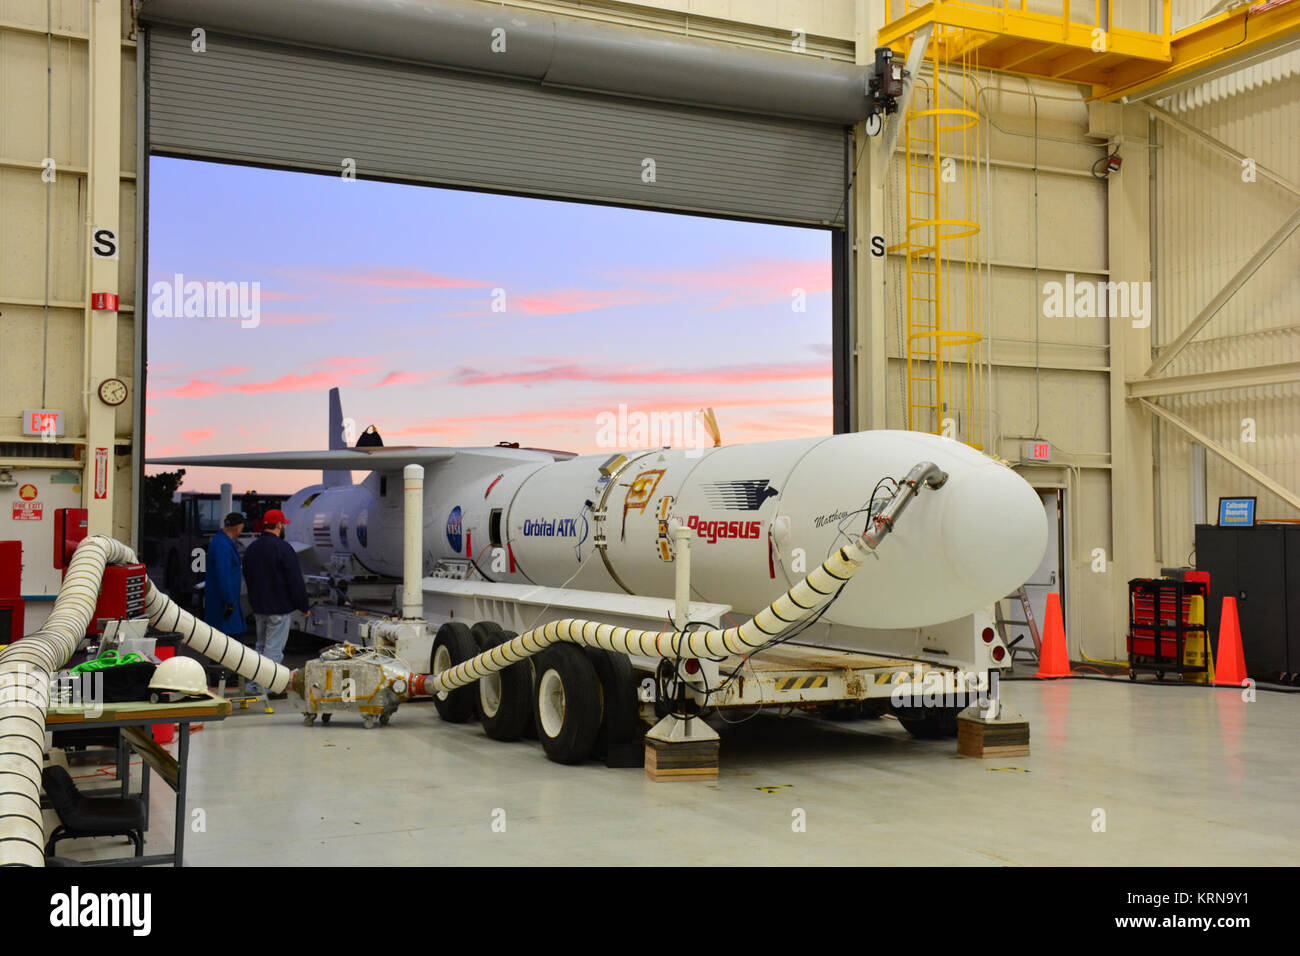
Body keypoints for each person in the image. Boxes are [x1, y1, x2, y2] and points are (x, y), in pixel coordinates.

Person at [241, 508, 309, 697]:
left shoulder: (252, 548)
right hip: (278, 607)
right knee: (273, 649)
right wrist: (303, 605)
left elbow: (246, 575)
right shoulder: (283, 548)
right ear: (279, 525)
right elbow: (295, 579)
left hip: (259, 606)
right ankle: (267, 687)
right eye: (283, 524)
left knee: (260, 646)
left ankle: (254, 685)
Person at [203, 512, 245, 637]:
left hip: (222, 604)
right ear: (237, 527)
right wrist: (229, 602)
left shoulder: (221, 542)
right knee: (229, 644)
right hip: (223, 607)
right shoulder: (223, 545)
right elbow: (223, 576)